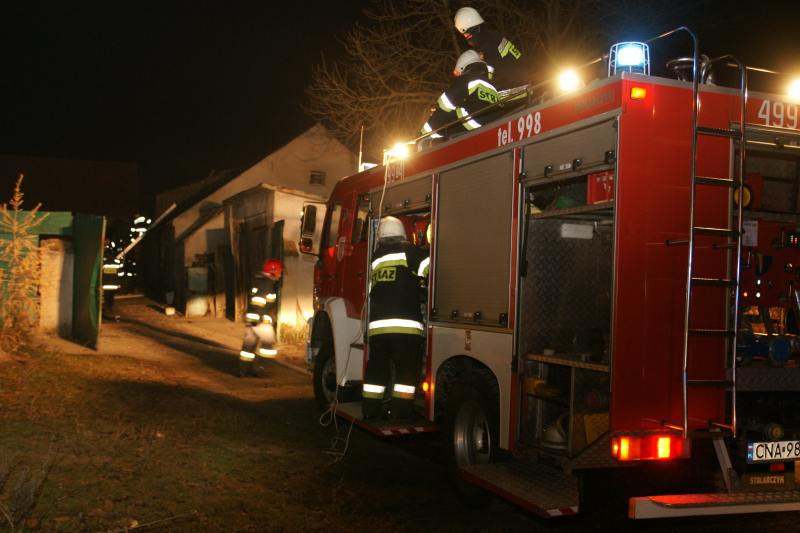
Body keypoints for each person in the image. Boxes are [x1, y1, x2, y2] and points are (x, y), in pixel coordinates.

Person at [362, 216, 429, 420]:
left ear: (381, 237)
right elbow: (429, 269)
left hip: (378, 332)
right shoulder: (408, 251)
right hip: (405, 331)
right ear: (402, 234)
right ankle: (400, 414)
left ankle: (371, 412)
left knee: (376, 374)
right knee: (405, 375)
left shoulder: (375, 259)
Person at [421, 50, 499, 139]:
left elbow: (444, 106)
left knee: (447, 113)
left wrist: (423, 135)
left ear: (463, 67)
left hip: (471, 121)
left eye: (459, 73)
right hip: (491, 124)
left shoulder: (466, 79)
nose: (459, 76)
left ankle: (428, 138)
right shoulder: (491, 85)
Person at [454, 7, 526, 90]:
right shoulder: (493, 37)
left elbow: (487, 76)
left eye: (465, 35)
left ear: (465, 30)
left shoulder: (485, 45)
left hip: (512, 90)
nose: (466, 37)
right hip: (522, 83)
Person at [239, 258, 283, 377]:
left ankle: (243, 370)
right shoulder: (267, 284)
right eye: (279, 272)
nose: (280, 274)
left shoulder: (259, 281)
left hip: (253, 320)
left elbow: (254, 301)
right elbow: (259, 302)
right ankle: (261, 369)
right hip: (261, 321)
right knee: (268, 346)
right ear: (273, 271)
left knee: (248, 347)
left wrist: (252, 320)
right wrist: (259, 319)